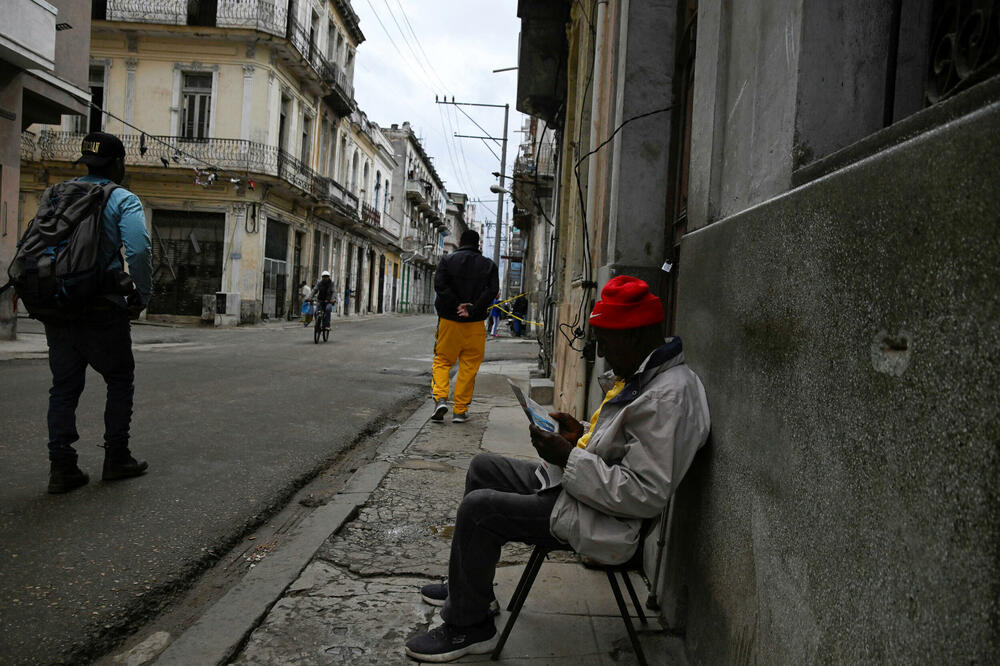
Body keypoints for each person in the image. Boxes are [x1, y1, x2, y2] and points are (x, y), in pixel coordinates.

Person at [404, 276, 711, 661]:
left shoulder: (669, 397)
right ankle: (472, 594)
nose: (601, 353)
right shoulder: (649, 377)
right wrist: (578, 433)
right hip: (583, 492)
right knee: (483, 467)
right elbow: (621, 450)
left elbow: (642, 495)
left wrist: (569, 457)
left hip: (606, 521)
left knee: (479, 510)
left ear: (635, 336)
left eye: (605, 341)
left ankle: (469, 627)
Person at [44, 132, 153, 494]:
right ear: (119, 164)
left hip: (58, 304)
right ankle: (116, 457)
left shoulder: (55, 194)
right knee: (119, 378)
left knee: (63, 386)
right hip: (102, 305)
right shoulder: (123, 198)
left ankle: (62, 468)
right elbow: (137, 250)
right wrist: (141, 295)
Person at [430, 229, 499, 424]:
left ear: (460, 242)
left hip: (449, 321)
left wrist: (455, 304)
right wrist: (473, 308)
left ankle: (441, 399)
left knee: (442, 361)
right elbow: (492, 290)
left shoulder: (447, 261)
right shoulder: (489, 265)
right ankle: (460, 411)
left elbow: (440, 286)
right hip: (475, 323)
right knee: (469, 366)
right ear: (478, 244)